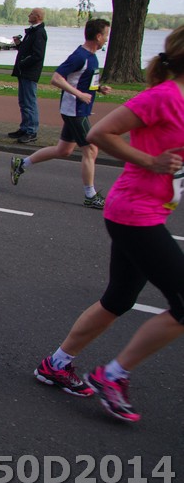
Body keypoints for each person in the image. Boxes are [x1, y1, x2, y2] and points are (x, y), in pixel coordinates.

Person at [31, 25, 184, 423]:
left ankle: (56, 364)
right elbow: (101, 132)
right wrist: (151, 162)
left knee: (118, 300)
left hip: (150, 211)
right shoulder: (165, 96)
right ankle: (112, 376)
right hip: (135, 213)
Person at [10, 19, 112, 209]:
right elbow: (56, 78)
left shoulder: (92, 56)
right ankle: (90, 195)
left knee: (63, 150)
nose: (107, 39)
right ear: (98, 36)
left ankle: (21, 164)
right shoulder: (80, 56)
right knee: (91, 149)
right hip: (74, 111)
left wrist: (98, 88)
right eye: (106, 35)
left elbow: (82, 80)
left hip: (79, 109)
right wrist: (79, 94)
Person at [9, 8, 48, 143]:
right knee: (23, 101)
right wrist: (19, 45)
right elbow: (26, 51)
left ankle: (31, 131)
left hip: (30, 73)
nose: (28, 15)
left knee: (30, 102)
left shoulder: (39, 33)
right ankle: (24, 128)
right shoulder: (32, 32)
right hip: (23, 72)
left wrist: (23, 63)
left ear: (37, 17)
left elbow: (38, 55)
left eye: (31, 14)